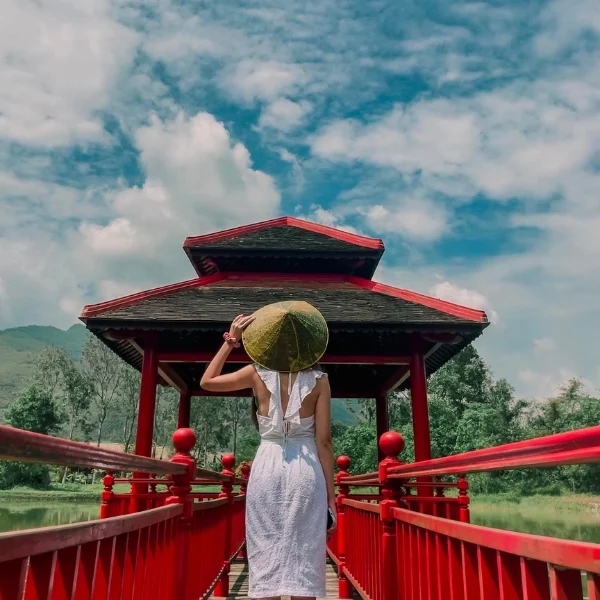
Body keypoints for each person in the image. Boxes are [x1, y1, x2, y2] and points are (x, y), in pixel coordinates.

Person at [200, 309, 336, 600]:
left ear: (268, 342)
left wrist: (230, 341)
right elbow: (324, 443)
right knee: (305, 557)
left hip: (267, 467)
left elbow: (207, 381)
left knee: (266, 550)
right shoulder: (320, 380)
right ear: (308, 344)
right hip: (306, 469)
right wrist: (331, 498)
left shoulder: (254, 373)